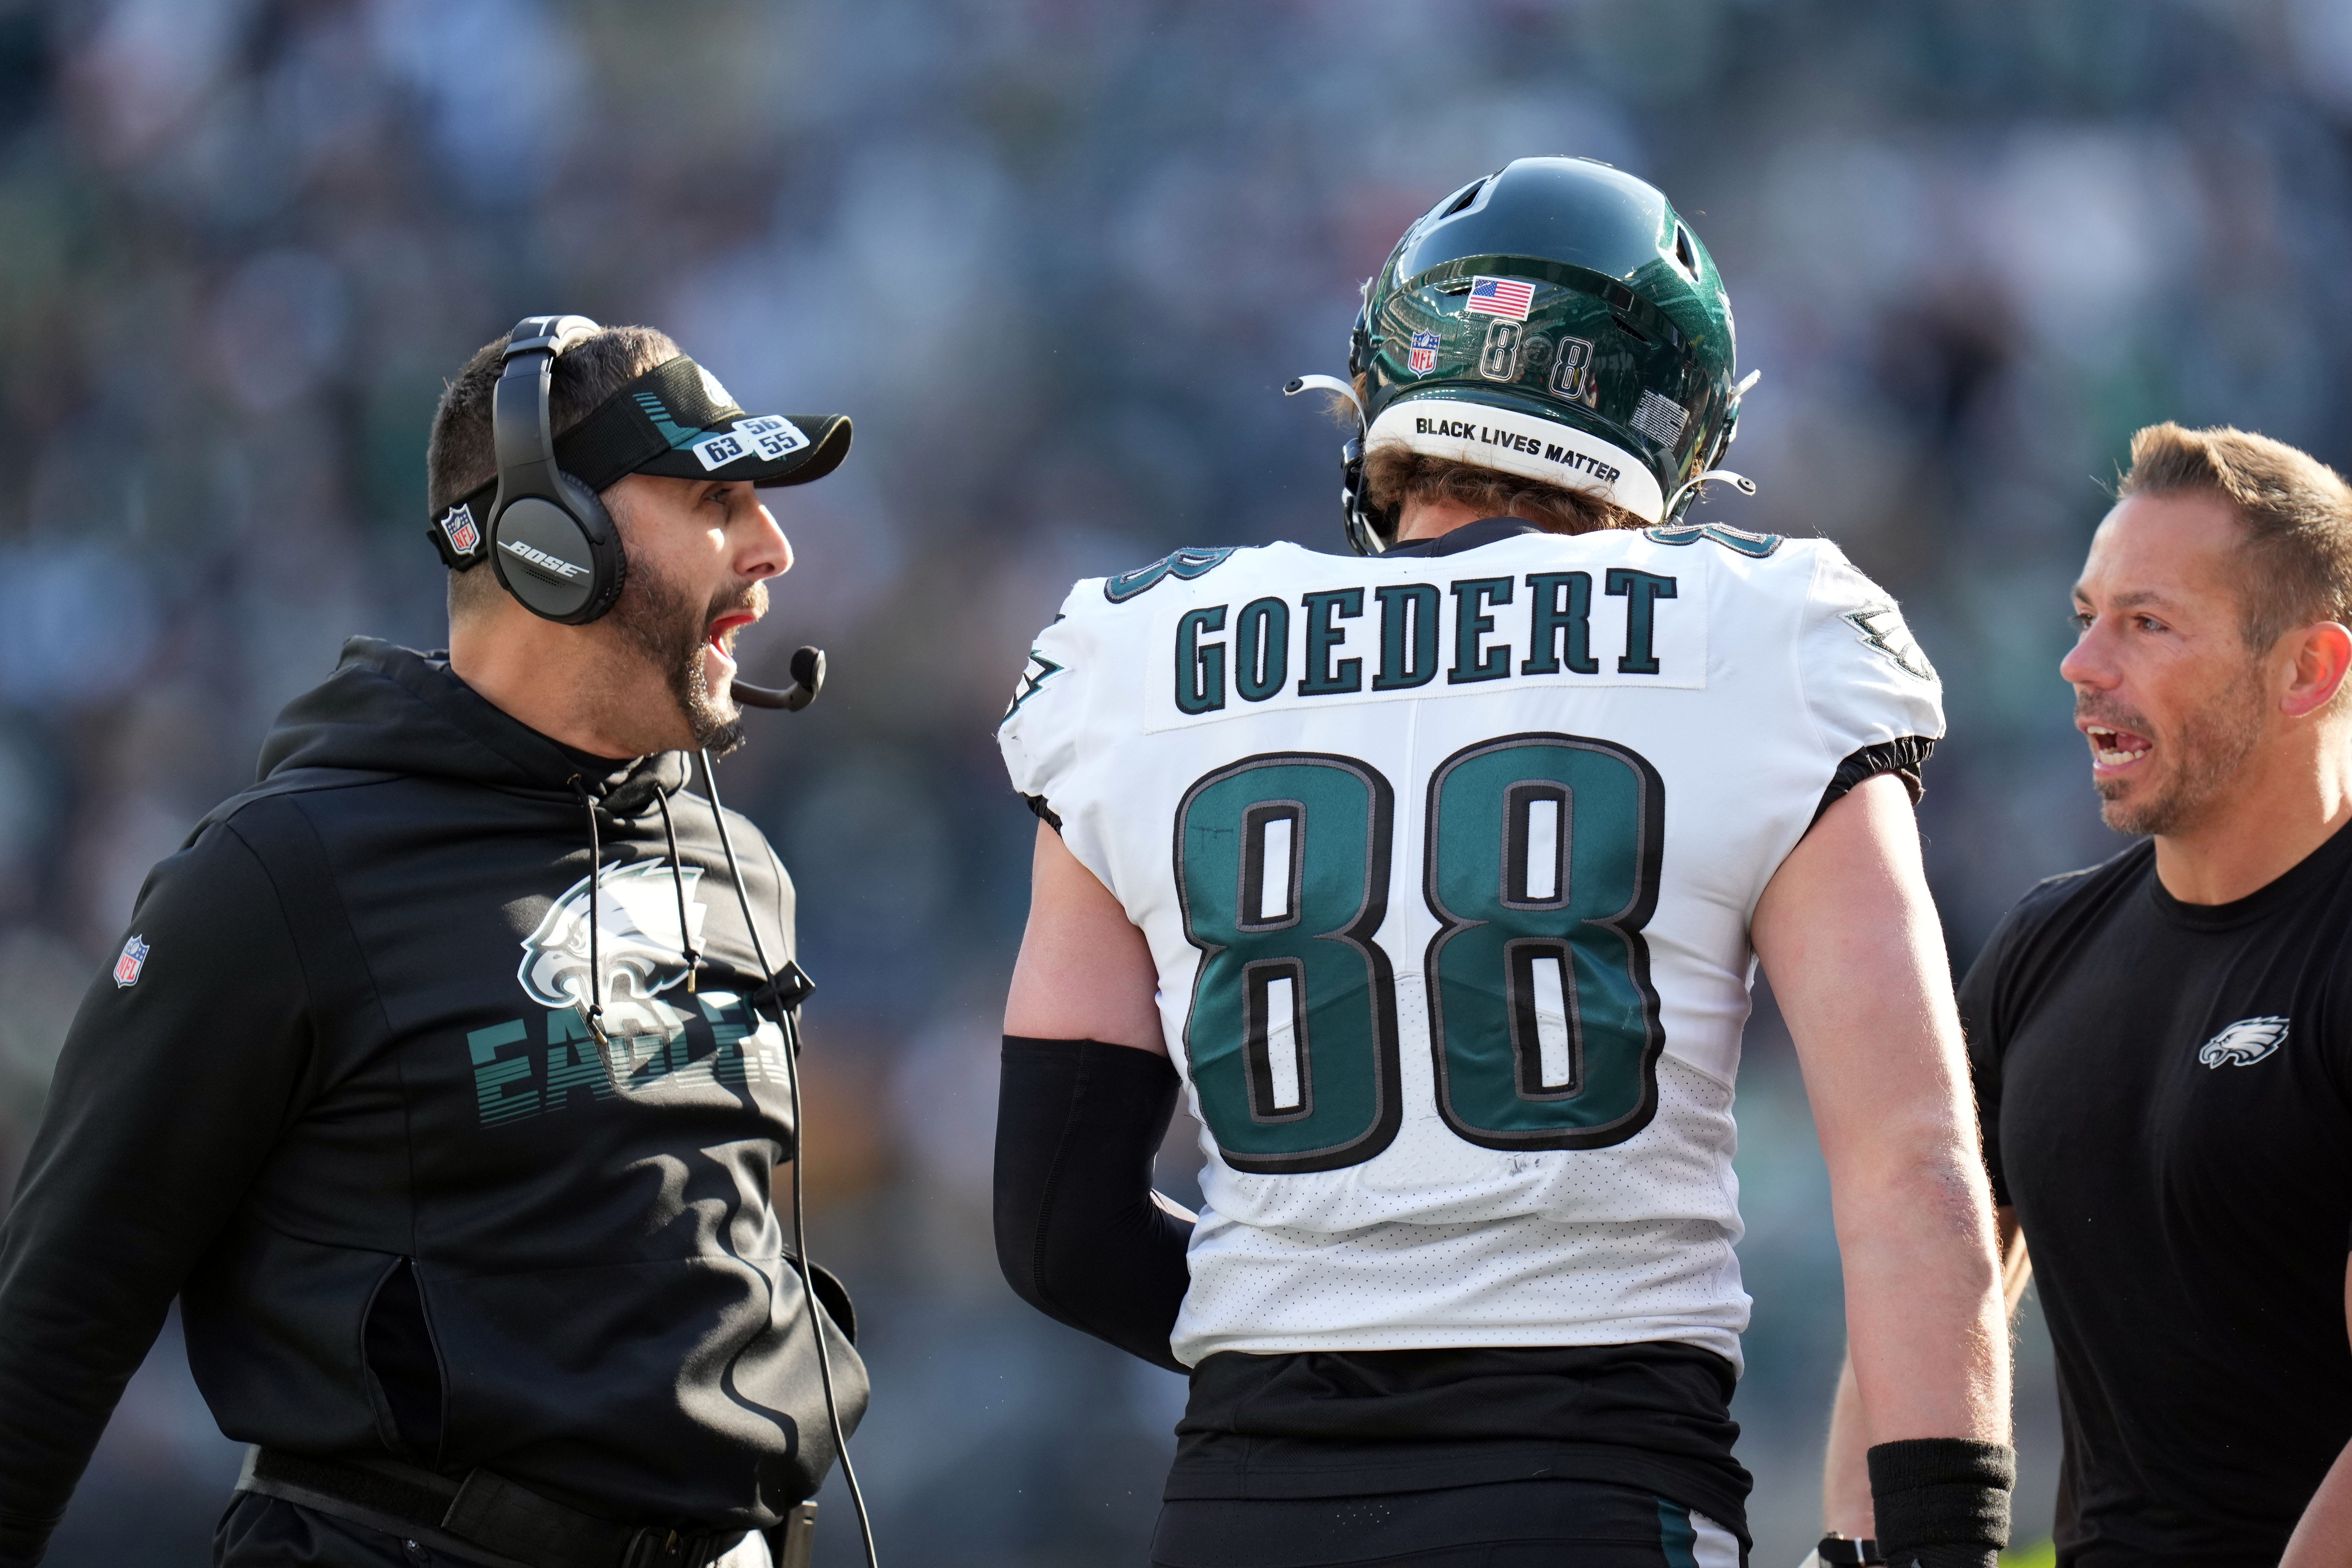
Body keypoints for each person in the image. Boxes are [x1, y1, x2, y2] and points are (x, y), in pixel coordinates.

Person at [991, 158, 2013, 1568]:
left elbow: (1053, 1226)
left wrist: (1324, 1336)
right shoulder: (1763, 637)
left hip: (1245, 1509)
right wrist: (1941, 1544)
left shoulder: (1135, 659)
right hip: (1592, 1487)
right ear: (1672, 425)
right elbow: (1914, 1173)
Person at [0, 318, 865, 1568]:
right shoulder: (278, 879)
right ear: (544, 540)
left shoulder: (742, 871)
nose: (772, 550)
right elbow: (54, 1329)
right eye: (718, 498)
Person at [1890, 423, 2352, 1567]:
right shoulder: (2045, 945)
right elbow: (1932, 1276)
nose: (2081, 664)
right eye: (2083, 617)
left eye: (2144, 624)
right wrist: (1884, 1537)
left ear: (2308, 670)